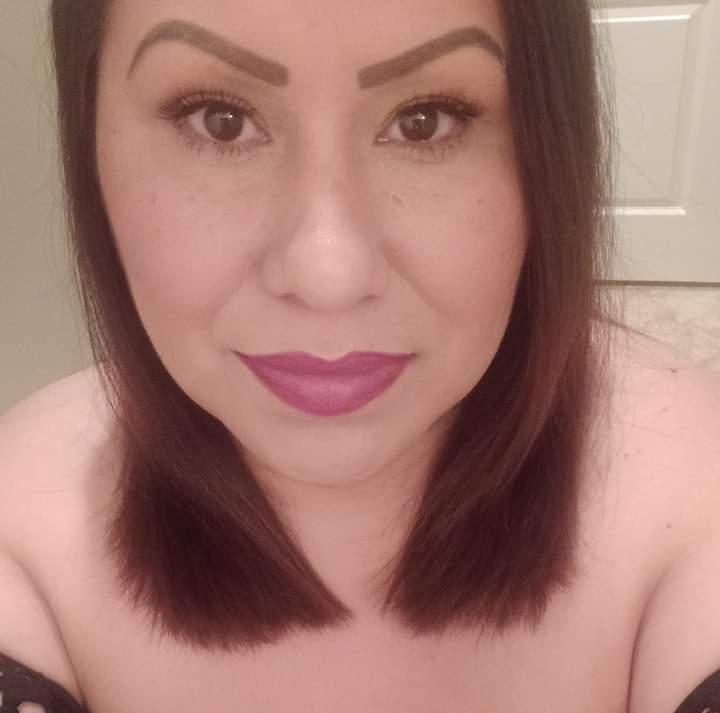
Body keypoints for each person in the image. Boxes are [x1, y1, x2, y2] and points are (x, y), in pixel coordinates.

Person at [1, 0, 719, 711]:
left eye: (425, 120)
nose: (328, 274)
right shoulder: (24, 539)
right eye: (219, 119)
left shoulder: (689, 491)